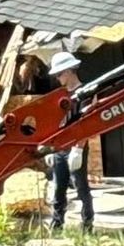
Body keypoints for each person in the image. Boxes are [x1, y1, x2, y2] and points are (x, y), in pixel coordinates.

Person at [43, 51, 94, 233]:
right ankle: (57, 225)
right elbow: (55, 123)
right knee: (59, 189)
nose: (58, 78)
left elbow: (86, 123)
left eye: (59, 74)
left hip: (75, 146)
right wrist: (50, 148)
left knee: (81, 187)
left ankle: (87, 225)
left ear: (70, 70)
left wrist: (79, 149)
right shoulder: (60, 95)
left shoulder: (86, 92)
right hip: (59, 148)